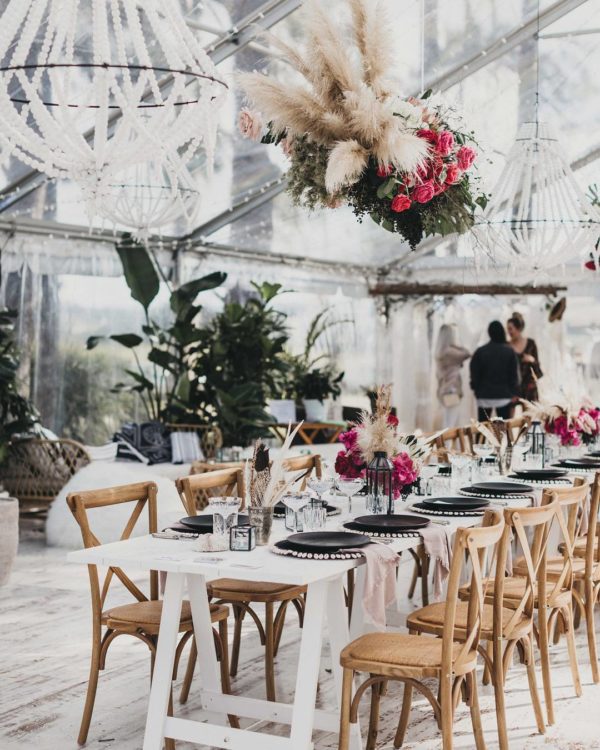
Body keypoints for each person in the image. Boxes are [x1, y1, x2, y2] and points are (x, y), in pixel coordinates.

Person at [470, 321, 520, 421]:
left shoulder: (480, 352)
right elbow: (514, 375)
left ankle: (480, 438)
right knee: (502, 432)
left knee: (482, 430)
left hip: (484, 396)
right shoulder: (509, 352)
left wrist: (476, 389)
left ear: (489, 333)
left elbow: (474, 373)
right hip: (504, 396)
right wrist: (514, 392)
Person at [435, 324, 471, 427]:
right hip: (452, 390)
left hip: (443, 389)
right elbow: (467, 353)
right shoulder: (449, 352)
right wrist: (455, 345)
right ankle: (445, 443)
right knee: (450, 423)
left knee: (448, 420)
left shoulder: (439, 352)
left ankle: (446, 443)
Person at [507, 312, 542, 401]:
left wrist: (532, 360)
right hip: (513, 387)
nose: (509, 332)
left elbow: (537, 366)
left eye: (510, 329)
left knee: (530, 413)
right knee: (510, 414)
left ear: (518, 328)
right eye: (507, 329)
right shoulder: (506, 346)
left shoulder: (531, 343)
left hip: (529, 386)